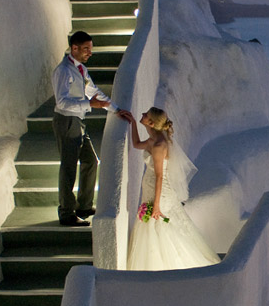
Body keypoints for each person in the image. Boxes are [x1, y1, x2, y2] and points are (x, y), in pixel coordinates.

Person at [118, 107, 219, 270]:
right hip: (150, 188)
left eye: (146, 115)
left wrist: (156, 204)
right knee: (152, 225)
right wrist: (133, 123)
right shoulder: (152, 140)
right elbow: (136, 144)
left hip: (159, 192)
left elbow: (159, 176)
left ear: (151, 122)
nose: (143, 114)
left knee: (158, 225)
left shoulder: (159, 145)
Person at [52, 31, 122, 226]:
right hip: (67, 121)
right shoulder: (63, 71)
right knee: (68, 167)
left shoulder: (81, 69)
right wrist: (89, 104)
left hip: (78, 120)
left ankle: (84, 205)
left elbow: (94, 91)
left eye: (90, 49)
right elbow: (62, 102)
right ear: (74, 48)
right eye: (85, 49)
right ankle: (66, 212)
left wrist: (115, 109)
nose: (89, 53)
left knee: (91, 161)